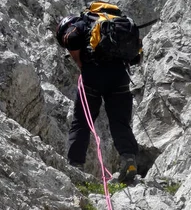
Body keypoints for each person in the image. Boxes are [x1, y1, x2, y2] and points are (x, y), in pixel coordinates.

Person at [56, 10, 140, 183]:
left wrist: (80, 63)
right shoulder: (109, 24)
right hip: (120, 76)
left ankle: (75, 165)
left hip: (92, 77)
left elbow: (70, 40)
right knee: (120, 122)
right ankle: (129, 159)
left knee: (82, 121)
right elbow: (136, 57)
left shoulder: (77, 26)